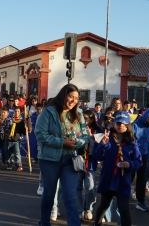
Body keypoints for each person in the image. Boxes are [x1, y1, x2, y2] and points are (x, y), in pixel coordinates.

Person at [35, 84, 89, 226]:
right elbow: (40, 134)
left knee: (70, 196)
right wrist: (61, 142)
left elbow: (85, 136)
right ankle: (44, 223)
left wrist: (77, 142)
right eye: (70, 96)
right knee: (49, 195)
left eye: (76, 98)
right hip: (49, 159)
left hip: (70, 160)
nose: (73, 100)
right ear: (63, 95)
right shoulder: (49, 112)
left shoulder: (79, 114)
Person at [93, 111, 142, 226]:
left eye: (124, 124)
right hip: (108, 177)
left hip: (122, 179)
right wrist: (103, 145)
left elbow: (138, 161)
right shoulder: (107, 138)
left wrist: (129, 164)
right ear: (114, 124)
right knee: (104, 205)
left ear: (128, 125)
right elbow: (99, 156)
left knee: (123, 208)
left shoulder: (132, 142)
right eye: (118, 123)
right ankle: (97, 224)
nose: (121, 126)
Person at [76, 109, 102, 221]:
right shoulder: (77, 127)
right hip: (78, 159)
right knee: (77, 186)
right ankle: (79, 210)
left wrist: (91, 137)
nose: (84, 120)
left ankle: (88, 208)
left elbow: (100, 146)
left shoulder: (98, 130)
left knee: (90, 186)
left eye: (86, 118)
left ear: (92, 119)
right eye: (82, 117)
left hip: (90, 161)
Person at [131, 107, 149, 212]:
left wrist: (148, 157)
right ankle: (122, 196)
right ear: (145, 117)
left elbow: (148, 142)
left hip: (144, 155)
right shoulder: (135, 125)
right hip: (133, 155)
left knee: (142, 179)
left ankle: (141, 201)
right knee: (130, 176)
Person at [6, 106, 27, 172]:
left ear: (20, 113)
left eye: (18, 111)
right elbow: (6, 127)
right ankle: (9, 164)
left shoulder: (21, 122)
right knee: (8, 152)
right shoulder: (9, 119)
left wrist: (26, 128)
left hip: (17, 139)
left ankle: (18, 165)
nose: (16, 113)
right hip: (9, 138)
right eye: (15, 111)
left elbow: (24, 132)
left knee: (17, 153)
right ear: (13, 112)